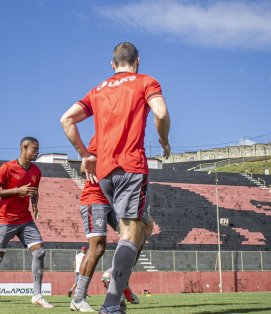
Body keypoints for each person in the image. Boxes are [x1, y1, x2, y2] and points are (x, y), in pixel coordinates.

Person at [61, 42, 170, 313]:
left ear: (112, 64)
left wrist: (85, 154)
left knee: (143, 227)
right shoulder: (146, 82)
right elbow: (161, 113)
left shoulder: (97, 90)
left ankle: (114, 279)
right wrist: (164, 139)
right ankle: (110, 304)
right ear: (138, 61)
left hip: (105, 174)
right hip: (131, 167)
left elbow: (66, 119)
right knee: (132, 233)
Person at [0, 137, 53, 309]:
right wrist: (18, 191)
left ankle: (37, 295)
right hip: (6, 219)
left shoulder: (36, 171)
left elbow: (35, 191)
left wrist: (35, 205)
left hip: (25, 219)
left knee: (39, 252)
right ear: (24, 148)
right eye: (34, 149)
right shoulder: (7, 167)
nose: (37, 152)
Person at [70, 137, 120, 312]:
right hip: (95, 199)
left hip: (114, 201)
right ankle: (78, 298)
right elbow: (84, 167)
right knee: (97, 248)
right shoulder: (101, 137)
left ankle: (121, 281)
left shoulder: (126, 139)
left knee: (134, 237)